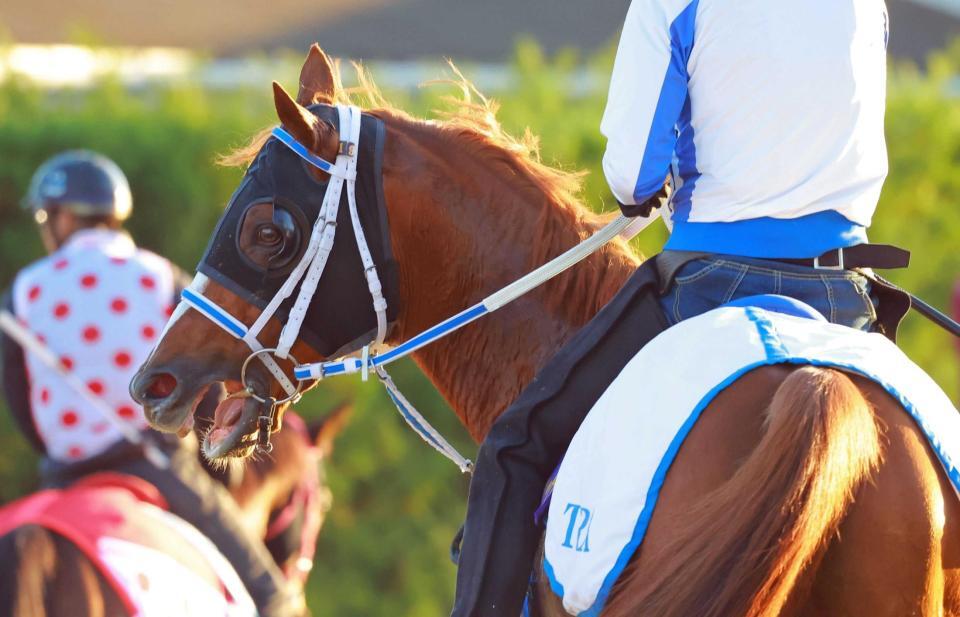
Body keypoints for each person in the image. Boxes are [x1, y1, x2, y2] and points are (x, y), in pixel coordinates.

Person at [451, 1, 910, 615]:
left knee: (515, 447)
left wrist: (657, 186)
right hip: (844, 295)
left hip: (708, 284)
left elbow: (632, 176)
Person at [0, 151, 297, 616]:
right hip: (155, 463)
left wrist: (62, 449)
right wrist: (218, 464)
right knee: (273, 594)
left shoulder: (21, 292)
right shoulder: (163, 277)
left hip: (62, 473)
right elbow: (205, 386)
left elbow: (21, 403)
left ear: (60, 218)